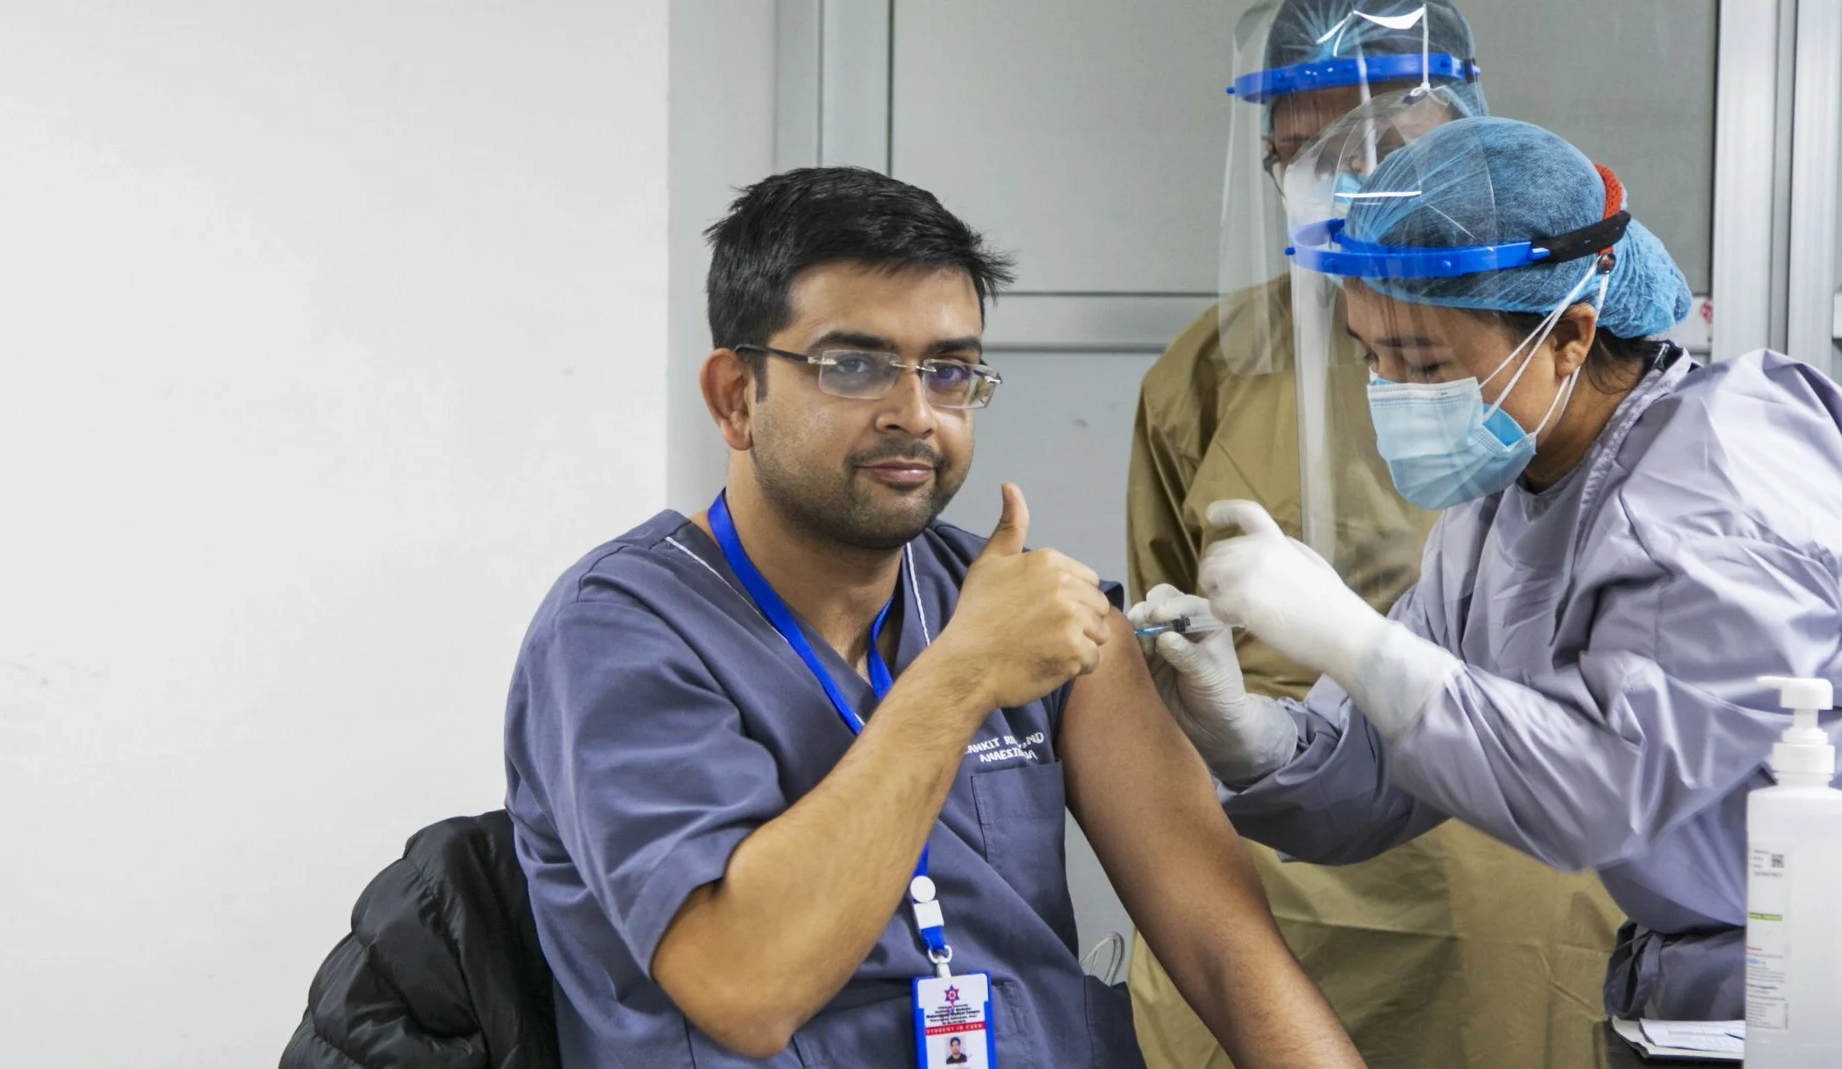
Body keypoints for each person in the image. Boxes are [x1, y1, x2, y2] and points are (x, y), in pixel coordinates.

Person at [506, 166, 1365, 1068]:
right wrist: (962, 675)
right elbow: (744, 989)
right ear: (736, 396)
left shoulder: (1031, 607)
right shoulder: (619, 632)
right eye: (854, 366)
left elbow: (1230, 953)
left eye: (949, 371)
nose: (915, 414)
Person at [1135, 115, 1842, 1022]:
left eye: (1423, 360)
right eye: (1373, 358)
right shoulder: (1501, 505)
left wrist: (1350, 635)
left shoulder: (1724, 485)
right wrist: (1246, 732)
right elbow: (1395, 766)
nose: (1392, 390)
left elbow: (1602, 792)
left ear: (1571, 334)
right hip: (1715, 986)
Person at [1127, 3, 1620, 1066]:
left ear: (1460, 126)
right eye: (1297, 157)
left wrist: (1354, 638)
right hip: (1277, 902)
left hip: (1516, 900)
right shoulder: (1212, 371)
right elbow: (1154, 661)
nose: (1337, 180)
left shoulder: (1569, 346)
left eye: (1371, 146)